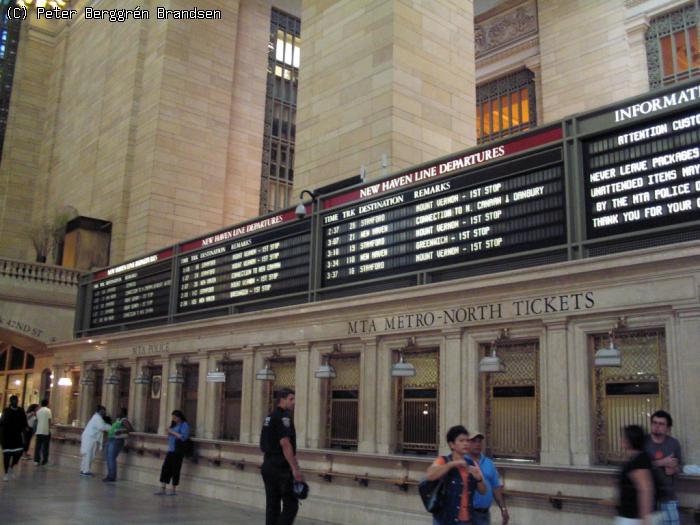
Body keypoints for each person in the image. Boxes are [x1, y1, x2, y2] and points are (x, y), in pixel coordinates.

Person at [425, 425, 487, 525]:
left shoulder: (472, 463)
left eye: (467, 441)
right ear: (452, 444)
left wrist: (479, 479)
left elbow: (483, 491)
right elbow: (429, 475)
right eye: (461, 441)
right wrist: (452, 464)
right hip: (445, 519)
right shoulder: (443, 460)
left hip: (467, 519)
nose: (465, 444)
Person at [260, 388, 303, 525]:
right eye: (291, 399)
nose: (294, 402)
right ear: (282, 399)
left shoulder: (269, 416)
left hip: (268, 465)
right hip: (281, 468)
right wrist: (295, 469)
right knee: (291, 505)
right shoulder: (283, 417)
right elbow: (285, 443)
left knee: (272, 505)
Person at [617, 425, 660, 525]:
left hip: (634, 518)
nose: (622, 439)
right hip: (630, 516)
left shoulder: (640, 460)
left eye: (624, 437)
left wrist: (645, 519)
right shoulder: (635, 458)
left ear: (630, 439)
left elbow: (645, 489)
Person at [645, 410, 682, 525]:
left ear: (668, 428)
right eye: (654, 423)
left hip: (668, 496)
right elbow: (638, 467)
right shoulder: (643, 442)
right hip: (647, 497)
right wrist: (662, 462)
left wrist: (675, 469)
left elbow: (680, 466)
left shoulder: (673, 443)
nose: (657, 426)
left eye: (661, 424)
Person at [467, 431, 509, 525]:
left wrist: (503, 509)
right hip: (466, 515)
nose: (477, 444)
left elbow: (496, 488)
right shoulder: (463, 462)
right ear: (467, 443)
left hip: (484, 515)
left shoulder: (489, 463)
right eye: (474, 441)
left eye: (479, 441)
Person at [155, 410, 190, 496]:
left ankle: (173, 489)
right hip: (171, 450)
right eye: (173, 417)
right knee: (165, 468)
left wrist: (171, 432)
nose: (173, 419)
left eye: (175, 417)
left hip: (178, 451)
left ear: (179, 417)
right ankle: (163, 488)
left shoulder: (184, 425)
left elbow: (183, 437)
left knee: (175, 469)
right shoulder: (173, 425)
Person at [1, 395, 28, 481]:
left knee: (18, 453)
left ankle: (12, 466)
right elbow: (2, 423)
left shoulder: (21, 410)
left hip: (17, 436)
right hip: (7, 436)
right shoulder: (6, 411)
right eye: (14, 401)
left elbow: (24, 422)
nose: (16, 402)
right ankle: (6, 473)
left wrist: (25, 429)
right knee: (7, 455)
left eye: (16, 400)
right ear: (11, 401)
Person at [103, 408, 134, 482]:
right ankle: (109, 474)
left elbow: (130, 429)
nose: (118, 413)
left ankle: (112, 476)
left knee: (111, 458)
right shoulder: (118, 420)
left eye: (119, 412)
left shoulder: (124, 420)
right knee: (108, 458)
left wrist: (121, 432)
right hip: (111, 439)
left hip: (116, 440)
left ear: (123, 413)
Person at [80, 405, 111, 477]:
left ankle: (83, 469)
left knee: (86, 454)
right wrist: (112, 428)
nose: (105, 412)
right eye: (104, 411)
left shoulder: (97, 417)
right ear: (100, 411)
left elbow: (102, 425)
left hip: (89, 438)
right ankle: (86, 471)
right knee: (88, 454)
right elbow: (102, 427)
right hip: (90, 439)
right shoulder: (97, 418)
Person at [34, 398, 51, 465]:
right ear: (47, 403)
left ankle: (36, 460)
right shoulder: (48, 410)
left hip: (39, 431)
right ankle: (44, 460)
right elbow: (49, 420)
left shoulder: (38, 411)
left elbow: (37, 420)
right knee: (45, 447)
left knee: (38, 446)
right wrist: (49, 429)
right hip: (46, 431)